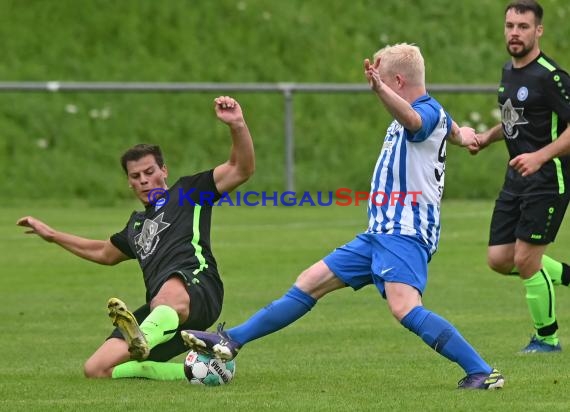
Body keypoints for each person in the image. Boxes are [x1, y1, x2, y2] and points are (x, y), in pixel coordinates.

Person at [182, 44, 505, 390]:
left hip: (404, 232)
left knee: (404, 307)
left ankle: (482, 371)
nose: (376, 90)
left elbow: (415, 121)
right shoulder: (436, 115)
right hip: (379, 233)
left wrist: (380, 90)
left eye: (382, 82)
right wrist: (470, 137)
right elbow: (455, 131)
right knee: (309, 282)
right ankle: (230, 340)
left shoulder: (422, 112)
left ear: (396, 81)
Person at [16, 95, 255, 380]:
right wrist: (53, 235)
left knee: (167, 291)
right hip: (162, 314)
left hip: (198, 287)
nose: (143, 179)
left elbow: (241, 168)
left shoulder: (189, 191)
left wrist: (237, 125)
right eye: (136, 175)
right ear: (129, 182)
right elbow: (103, 253)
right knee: (97, 369)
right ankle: (204, 371)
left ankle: (145, 338)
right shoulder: (135, 226)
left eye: (149, 172)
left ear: (163, 171)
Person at [468, 0, 570, 353]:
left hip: (547, 178)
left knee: (526, 260)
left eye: (523, 26)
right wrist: (487, 137)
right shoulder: (509, 72)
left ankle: (547, 339)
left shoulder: (551, 76)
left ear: (538, 30)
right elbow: (516, 119)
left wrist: (541, 157)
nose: (515, 32)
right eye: (510, 25)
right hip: (517, 180)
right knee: (499, 259)